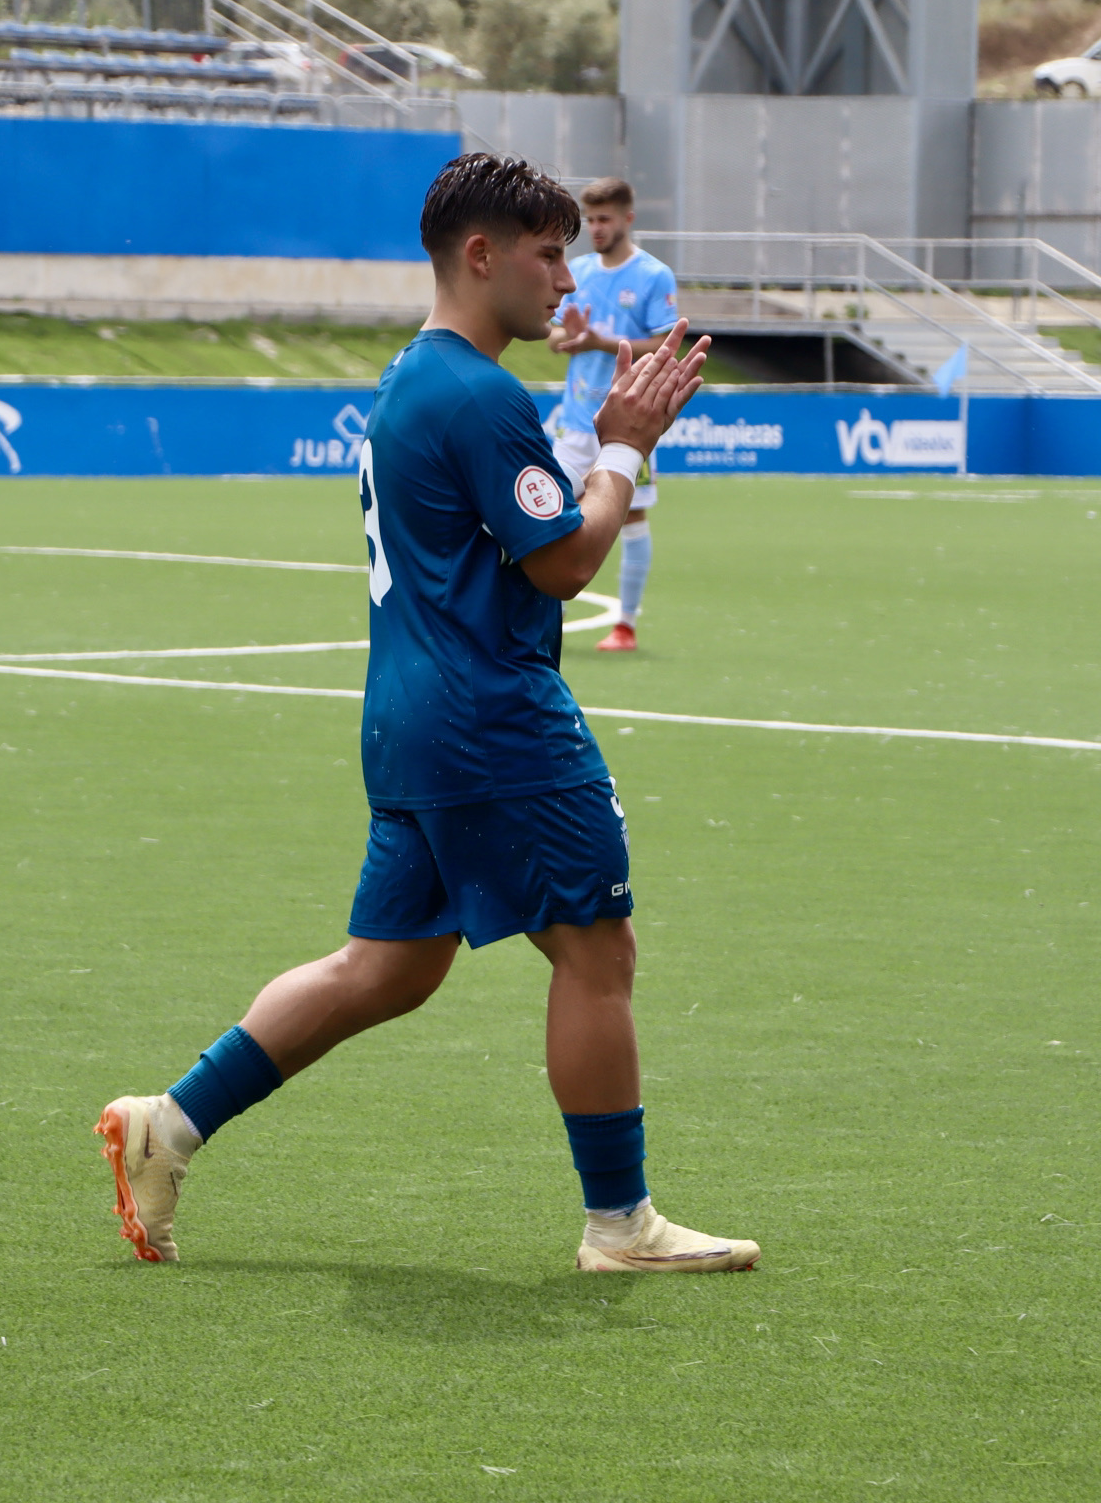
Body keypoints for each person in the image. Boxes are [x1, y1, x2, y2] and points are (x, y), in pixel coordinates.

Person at [94, 154, 759, 1275]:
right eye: (548, 253)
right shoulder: (476, 393)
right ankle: (621, 1225)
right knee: (597, 949)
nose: (566, 276)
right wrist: (625, 442)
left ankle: (172, 1121)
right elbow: (565, 561)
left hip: (411, 718)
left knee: (390, 967)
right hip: (494, 721)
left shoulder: (414, 378)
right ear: (480, 255)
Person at [546, 177, 681, 654]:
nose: (596, 229)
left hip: (627, 420)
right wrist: (572, 339)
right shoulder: (577, 270)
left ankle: (624, 624)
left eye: (604, 219)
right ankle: (547, 617)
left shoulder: (653, 275)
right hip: (575, 418)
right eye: (590, 220)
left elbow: (668, 345)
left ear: (628, 218)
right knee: (553, 511)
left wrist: (602, 341)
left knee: (632, 516)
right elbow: (555, 338)